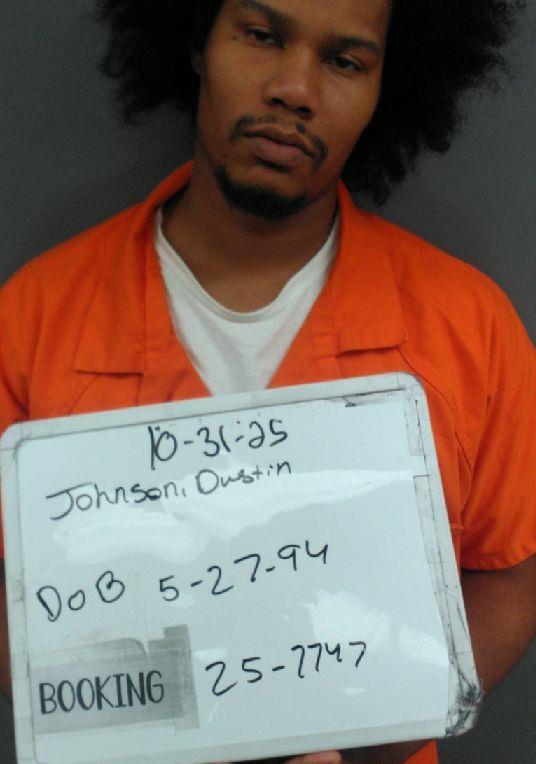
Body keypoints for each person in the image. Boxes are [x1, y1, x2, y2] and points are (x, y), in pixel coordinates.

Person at [0, 1, 535, 763]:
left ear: (388, 86)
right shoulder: (31, 318)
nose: (295, 89)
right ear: (198, 41)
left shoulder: (468, 324)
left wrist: (366, 741)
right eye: (261, 36)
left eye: (345, 61)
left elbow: (509, 575)